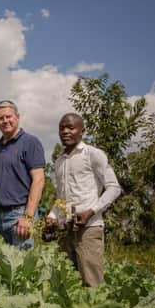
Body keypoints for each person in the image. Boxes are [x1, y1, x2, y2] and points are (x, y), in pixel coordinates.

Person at [45, 113, 121, 287]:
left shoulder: (93, 154)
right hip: (66, 231)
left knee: (91, 283)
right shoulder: (58, 162)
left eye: (71, 128)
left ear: (82, 131)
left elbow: (114, 188)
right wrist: (52, 216)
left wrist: (91, 211)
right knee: (68, 284)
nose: (65, 131)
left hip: (89, 229)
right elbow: (61, 199)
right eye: (62, 128)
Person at [0, 100, 45, 250]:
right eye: (0, 118)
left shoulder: (30, 142)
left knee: (21, 268)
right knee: (0, 268)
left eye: (8, 116)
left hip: (19, 216)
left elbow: (38, 180)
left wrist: (28, 216)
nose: (5, 121)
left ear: (17, 117)